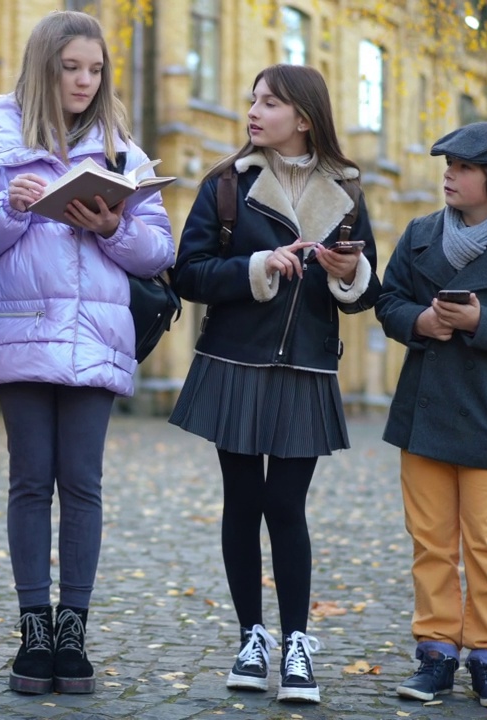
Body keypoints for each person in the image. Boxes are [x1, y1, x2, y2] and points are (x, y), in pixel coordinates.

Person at [0, 11, 174, 696]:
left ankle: (72, 633)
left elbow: (159, 251)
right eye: (71, 67)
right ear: (44, 67)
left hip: (94, 337)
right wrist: (13, 210)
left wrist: (115, 227)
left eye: (94, 69)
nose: (85, 81)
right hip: (20, 331)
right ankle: (33, 631)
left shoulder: (124, 152)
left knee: (82, 484)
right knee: (30, 481)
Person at [167, 64, 381, 705]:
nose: (254, 112)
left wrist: (348, 270)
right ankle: (250, 637)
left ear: (305, 117)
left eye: (270, 103)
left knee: (287, 507)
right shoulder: (225, 185)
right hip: (235, 361)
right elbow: (190, 274)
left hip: (308, 368)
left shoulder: (345, 189)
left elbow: (362, 292)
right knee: (242, 501)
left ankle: (296, 646)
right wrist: (257, 266)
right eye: (252, 99)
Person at [376, 121, 487, 710]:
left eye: (463, 166)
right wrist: (419, 323)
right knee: (430, 543)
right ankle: (434, 654)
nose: (449, 175)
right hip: (423, 415)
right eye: (448, 165)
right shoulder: (422, 235)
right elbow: (388, 300)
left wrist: (481, 323)